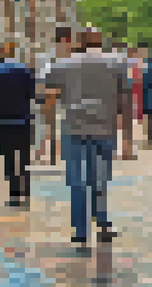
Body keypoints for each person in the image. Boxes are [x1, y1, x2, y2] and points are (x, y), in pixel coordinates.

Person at [43, 26, 132, 245]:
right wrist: (128, 136)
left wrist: (49, 129)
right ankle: (102, 223)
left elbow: (50, 99)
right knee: (100, 177)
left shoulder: (61, 65)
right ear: (100, 41)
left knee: (76, 180)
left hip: (73, 128)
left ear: (77, 42)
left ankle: (80, 230)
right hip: (105, 128)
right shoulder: (116, 63)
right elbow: (125, 100)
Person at [0, 41, 37, 208]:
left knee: (9, 159)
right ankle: (25, 191)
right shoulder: (25, 71)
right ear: (15, 53)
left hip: (2, 121)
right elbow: (31, 95)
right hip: (23, 120)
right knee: (24, 158)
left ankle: (13, 194)